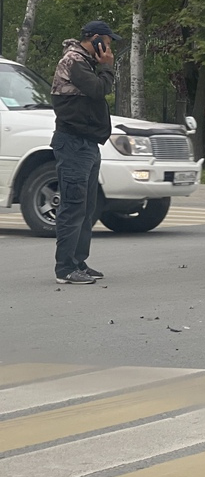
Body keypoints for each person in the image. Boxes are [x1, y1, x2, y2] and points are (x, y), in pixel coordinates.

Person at [50, 20, 119, 285]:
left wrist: (103, 68)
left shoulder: (86, 63)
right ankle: (65, 268)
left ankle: (79, 261)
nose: (110, 46)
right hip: (73, 143)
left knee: (87, 207)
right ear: (96, 39)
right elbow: (100, 89)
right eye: (108, 41)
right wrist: (107, 66)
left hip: (87, 143)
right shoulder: (74, 61)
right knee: (73, 206)